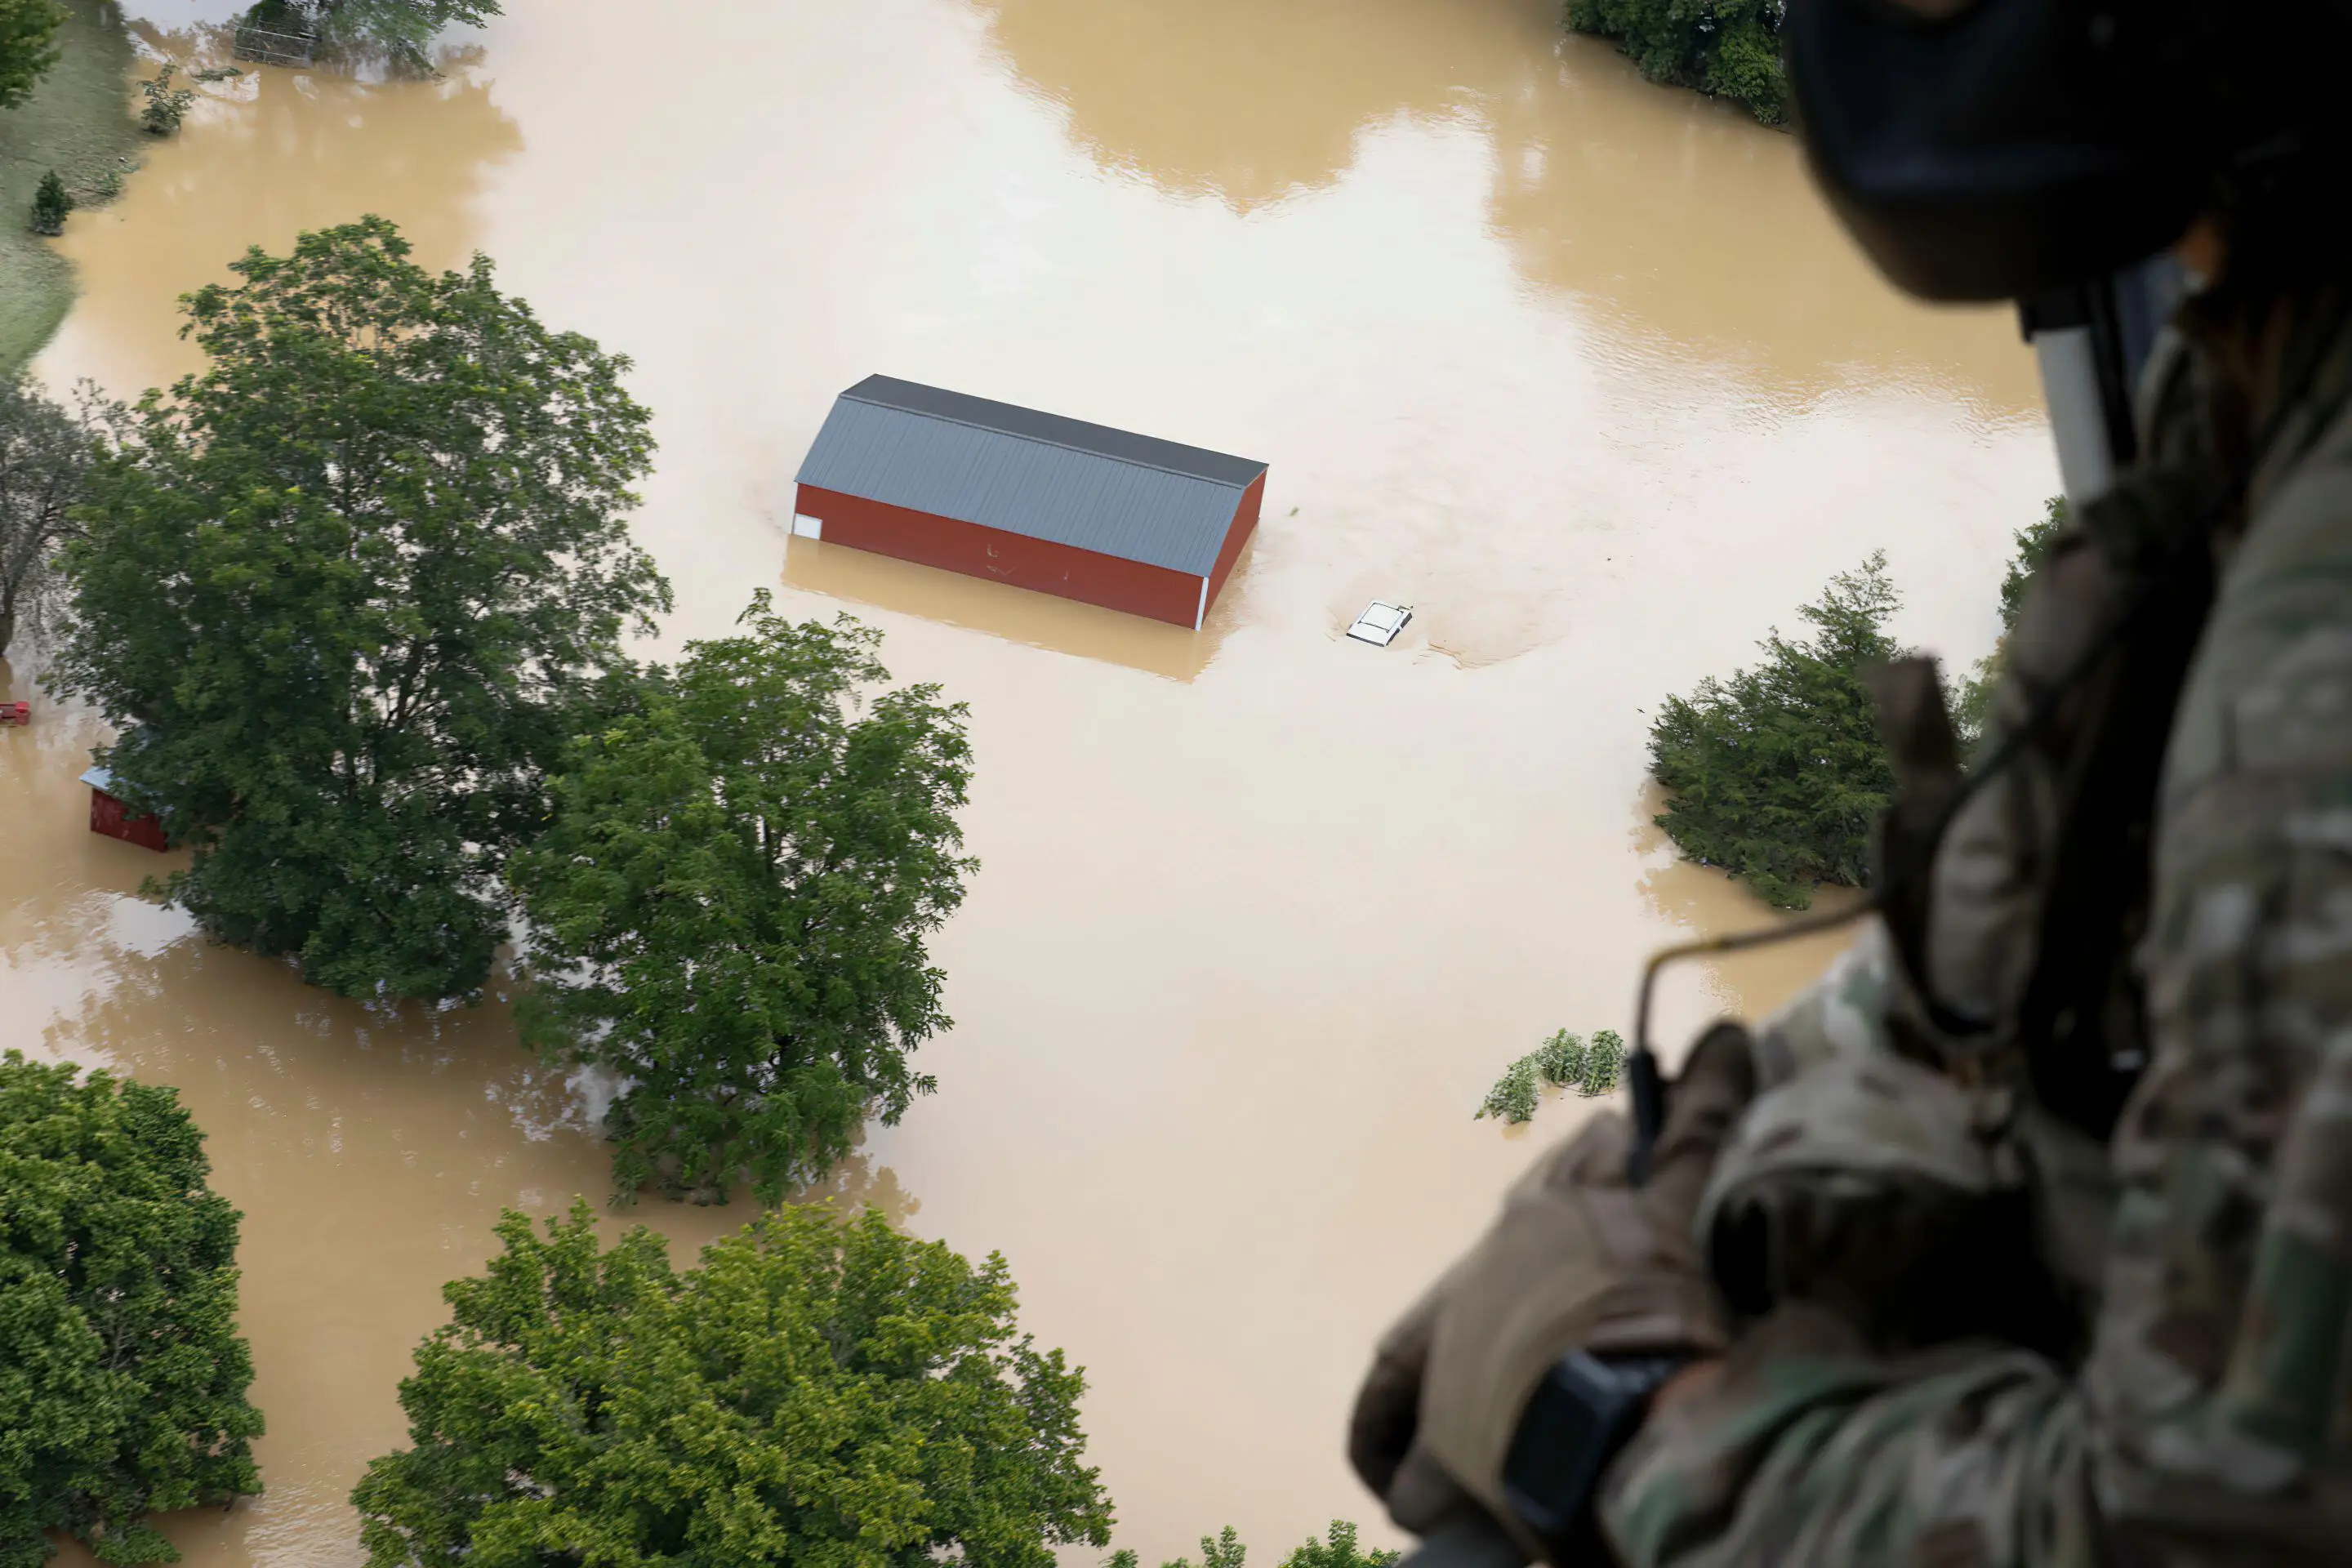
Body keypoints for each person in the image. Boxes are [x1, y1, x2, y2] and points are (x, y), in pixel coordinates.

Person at [1348, 2, 2352, 1563]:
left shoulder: (2316, 665)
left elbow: (2197, 1526)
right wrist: (1700, 1147)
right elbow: (2033, 925)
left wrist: (1618, 1419)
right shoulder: (2263, 351)